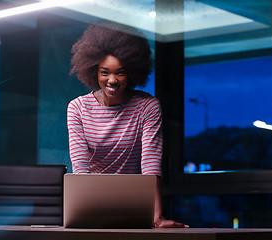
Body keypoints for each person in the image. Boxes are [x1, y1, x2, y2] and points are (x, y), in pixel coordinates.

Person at [67, 23, 187, 228]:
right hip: (93, 205)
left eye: (120, 73)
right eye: (105, 72)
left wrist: (157, 216)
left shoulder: (147, 107)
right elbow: (80, 169)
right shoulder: (78, 108)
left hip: (137, 207)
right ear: (94, 71)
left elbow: (151, 165)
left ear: (131, 72)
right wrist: (82, 212)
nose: (112, 80)